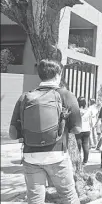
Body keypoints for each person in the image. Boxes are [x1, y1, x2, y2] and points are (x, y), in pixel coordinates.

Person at [8, 59, 81, 204]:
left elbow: (12, 134)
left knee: (35, 199)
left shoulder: (24, 97)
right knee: (69, 196)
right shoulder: (66, 95)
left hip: (30, 157)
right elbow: (77, 129)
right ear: (58, 74)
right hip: (57, 155)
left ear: (40, 75)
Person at [76, 97, 92, 165]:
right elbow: (91, 122)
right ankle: (85, 161)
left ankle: (78, 159)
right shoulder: (88, 111)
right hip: (87, 129)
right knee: (85, 145)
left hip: (79, 129)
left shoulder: (76, 111)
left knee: (78, 145)